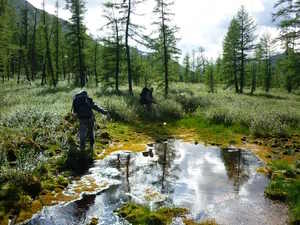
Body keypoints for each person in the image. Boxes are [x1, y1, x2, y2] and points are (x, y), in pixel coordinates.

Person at [72, 91, 108, 155]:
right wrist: (104, 112)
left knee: (82, 134)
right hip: (90, 119)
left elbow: (74, 112)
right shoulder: (88, 100)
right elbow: (96, 107)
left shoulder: (76, 101)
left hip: (82, 120)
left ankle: (82, 149)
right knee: (91, 132)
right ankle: (91, 148)